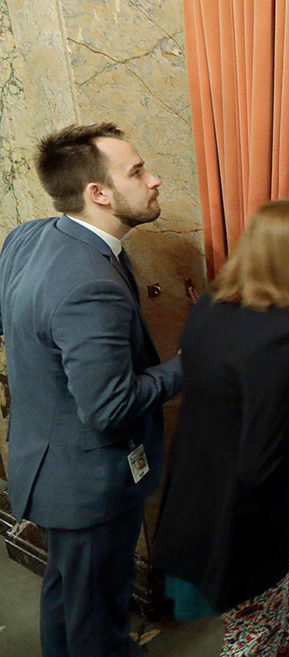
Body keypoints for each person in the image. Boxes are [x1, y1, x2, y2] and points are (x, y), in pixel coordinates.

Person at [0, 122, 183, 656]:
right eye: (137, 171)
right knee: (96, 613)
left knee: (69, 594)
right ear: (97, 193)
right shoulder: (88, 282)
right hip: (89, 483)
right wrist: (190, 364)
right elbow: (111, 406)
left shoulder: (29, 235)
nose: (154, 180)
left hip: (46, 461)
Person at [152, 200, 289, 657]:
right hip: (239, 519)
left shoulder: (211, 305)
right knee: (250, 634)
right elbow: (262, 461)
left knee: (269, 606)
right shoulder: (283, 336)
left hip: (195, 490)